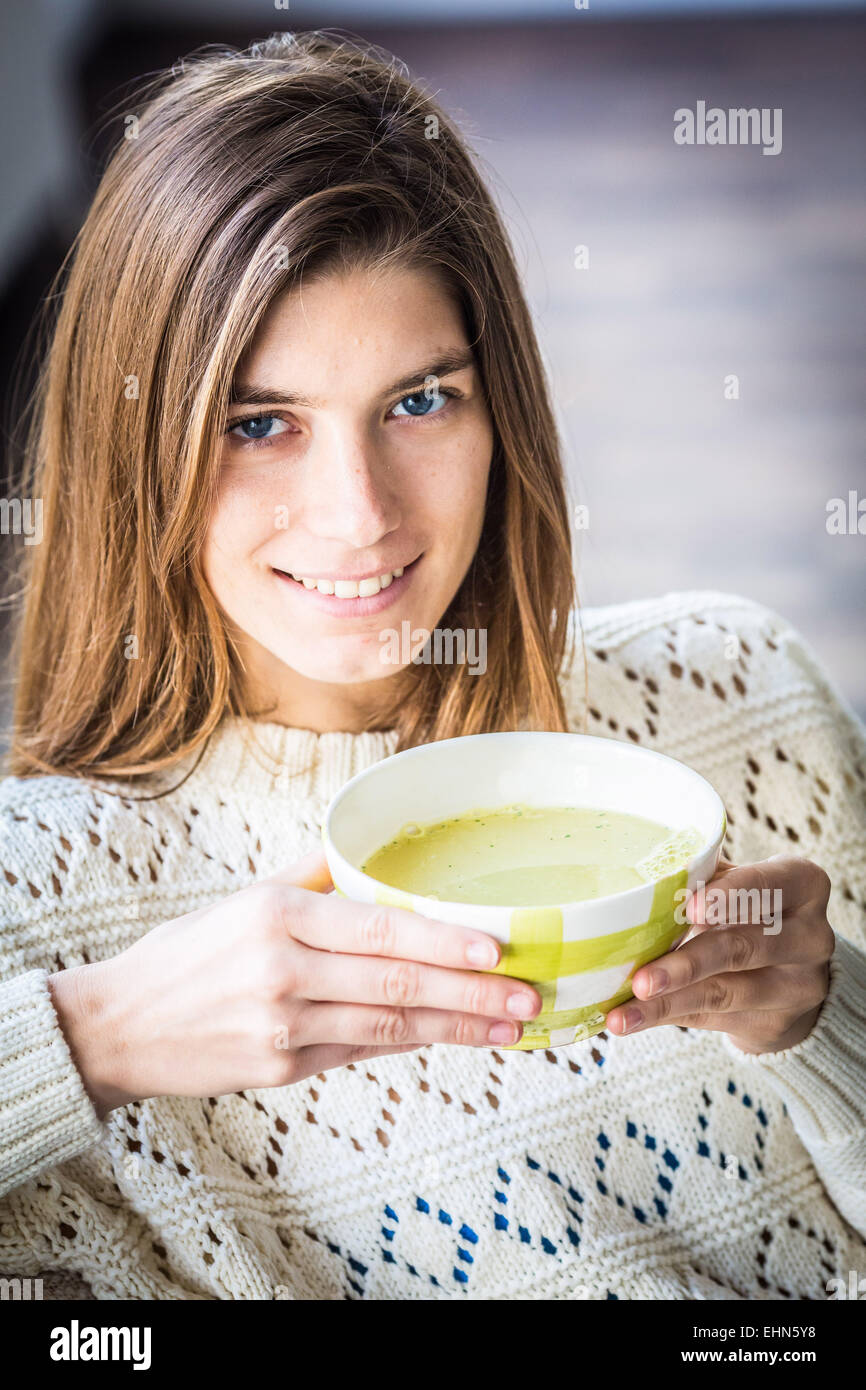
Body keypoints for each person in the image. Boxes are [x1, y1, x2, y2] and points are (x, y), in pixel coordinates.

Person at [0, 31, 864, 1302]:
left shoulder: (737, 690)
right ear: (135, 449)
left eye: (419, 401)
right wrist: (86, 1042)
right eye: (258, 423)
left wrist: (827, 1020)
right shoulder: (43, 901)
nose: (358, 514)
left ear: (496, 405)